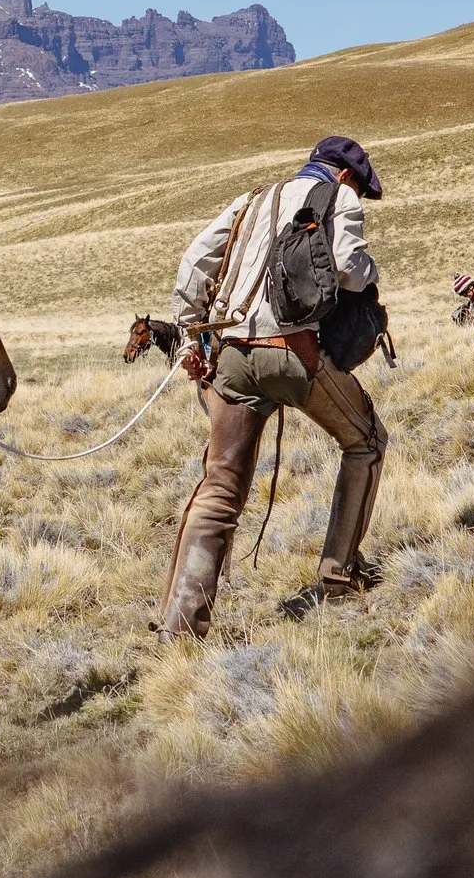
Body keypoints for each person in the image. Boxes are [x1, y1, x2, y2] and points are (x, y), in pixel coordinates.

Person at [155, 135, 390, 637]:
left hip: (231, 358)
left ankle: (181, 625)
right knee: (366, 442)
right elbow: (349, 269)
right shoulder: (339, 197)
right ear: (345, 176)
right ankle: (339, 573)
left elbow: (195, 261)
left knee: (220, 488)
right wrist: (372, 274)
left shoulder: (252, 199)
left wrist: (189, 335)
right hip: (294, 353)